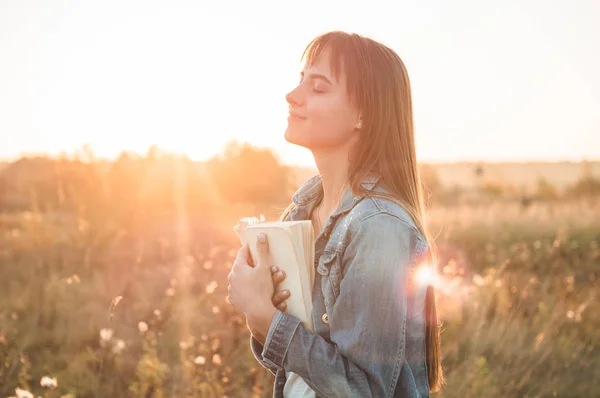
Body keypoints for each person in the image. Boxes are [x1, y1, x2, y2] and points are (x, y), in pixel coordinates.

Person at [226, 30, 443, 397]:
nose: (292, 96)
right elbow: (304, 370)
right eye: (300, 81)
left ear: (363, 114)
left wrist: (267, 319)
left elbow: (364, 390)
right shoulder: (302, 213)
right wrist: (263, 316)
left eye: (319, 87)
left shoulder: (378, 227)